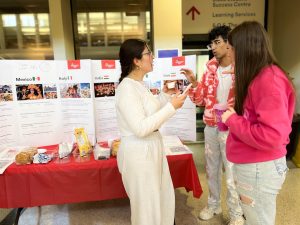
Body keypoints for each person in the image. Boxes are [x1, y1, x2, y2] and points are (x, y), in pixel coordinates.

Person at [221, 21, 296, 225]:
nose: (229, 54)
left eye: (231, 48)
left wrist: (233, 121)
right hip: (255, 165)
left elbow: (272, 135)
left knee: (258, 220)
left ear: (244, 50)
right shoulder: (260, 77)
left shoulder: (268, 80)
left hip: (258, 167)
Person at [115, 39, 187, 225]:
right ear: (136, 61)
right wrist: (171, 107)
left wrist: (164, 97)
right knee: (146, 210)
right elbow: (140, 128)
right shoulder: (126, 89)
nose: (152, 57)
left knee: (160, 200)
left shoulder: (139, 85)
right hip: (139, 154)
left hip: (151, 149)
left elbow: (149, 114)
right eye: (148, 53)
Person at [180, 25, 244, 225]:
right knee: (211, 168)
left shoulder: (241, 68)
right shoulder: (210, 69)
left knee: (232, 171)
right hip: (210, 126)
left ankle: (236, 212)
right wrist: (194, 82)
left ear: (228, 42)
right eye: (212, 43)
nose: (213, 47)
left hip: (232, 127)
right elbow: (200, 100)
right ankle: (214, 204)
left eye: (217, 42)